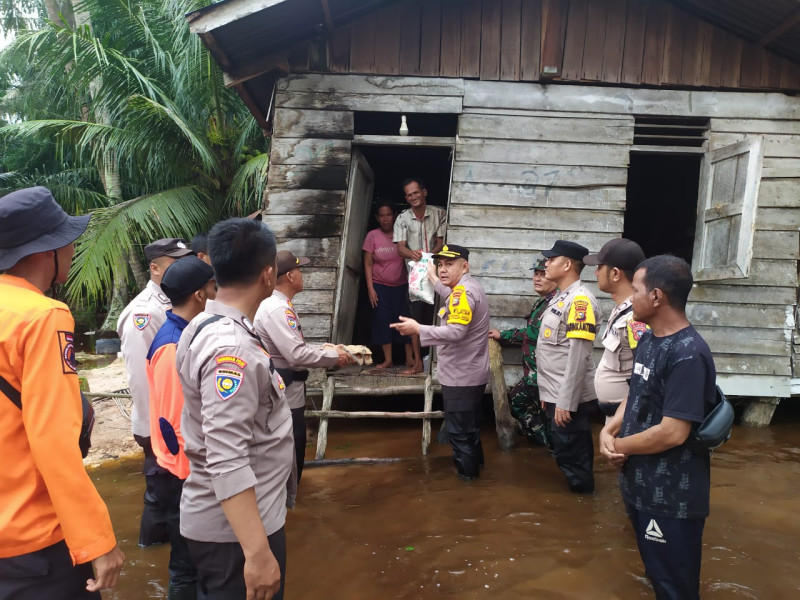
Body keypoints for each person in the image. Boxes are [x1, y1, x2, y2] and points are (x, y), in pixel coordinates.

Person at [0, 186, 125, 598]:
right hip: (31, 542)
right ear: (44, 251)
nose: (72, 247)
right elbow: (53, 439)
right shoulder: (42, 317)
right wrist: (96, 540)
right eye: (66, 238)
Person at [176, 218, 295, 600]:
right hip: (238, 535)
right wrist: (258, 555)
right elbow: (225, 457)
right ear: (268, 274)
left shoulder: (203, 324)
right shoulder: (232, 349)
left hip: (234, 526)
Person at [599, 256, 717, 600]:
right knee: (656, 575)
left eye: (635, 290)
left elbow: (673, 432)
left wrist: (620, 446)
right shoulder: (650, 341)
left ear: (656, 297)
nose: (629, 298)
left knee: (675, 589)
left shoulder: (688, 354)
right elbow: (636, 393)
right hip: (640, 485)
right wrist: (609, 431)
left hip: (673, 497)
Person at [146, 256, 216, 600]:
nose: (217, 293)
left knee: (194, 559)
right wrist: (194, 475)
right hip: (180, 471)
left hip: (180, 468)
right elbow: (173, 421)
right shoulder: (173, 343)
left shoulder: (184, 332)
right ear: (200, 295)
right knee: (187, 563)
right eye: (213, 287)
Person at [117, 237, 193, 547]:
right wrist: (157, 432)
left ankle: (159, 555)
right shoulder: (144, 314)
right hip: (158, 423)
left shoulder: (174, 303)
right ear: (155, 268)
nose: (185, 267)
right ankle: (152, 552)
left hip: (171, 420)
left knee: (165, 494)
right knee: (160, 496)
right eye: (177, 262)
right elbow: (140, 379)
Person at [392, 244, 490, 480]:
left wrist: (419, 328)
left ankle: (469, 483)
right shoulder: (466, 288)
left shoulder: (463, 293)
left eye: (450, 264)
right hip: (470, 374)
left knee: (459, 434)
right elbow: (452, 298)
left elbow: (456, 331)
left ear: (464, 266)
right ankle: (479, 477)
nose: (443, 269)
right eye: (441, 264)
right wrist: (434, 280)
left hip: (461, 377)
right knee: (469, 429)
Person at [254, 250, 352, 483]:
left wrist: (323, 349)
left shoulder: (277, 305)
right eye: (300, 270)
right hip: (284, 391)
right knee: (290, 449)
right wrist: (333, 357)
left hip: (287, 388)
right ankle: (284, 507)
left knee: (293, 446)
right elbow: (295, 354)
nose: (302, 275)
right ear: (289, 276)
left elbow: (289, 347)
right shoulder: (278, 309)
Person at [536, 240, 601, 494]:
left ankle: (584, 506)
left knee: (573, 456)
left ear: (567, 265)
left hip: (568, 398)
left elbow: (577, 357)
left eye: (551, 259)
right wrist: (547, 394)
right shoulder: (561, 298)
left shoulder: (580, 302)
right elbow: (553, 352)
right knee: (566, 452)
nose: (546, 263)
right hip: (556, 393)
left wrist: (565, 401)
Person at [488, 257, 558, 447]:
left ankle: (548, 447)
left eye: (542, 274)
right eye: (535, 274)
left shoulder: (557, 306)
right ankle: (543, 443)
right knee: (518, 404)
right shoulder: (540, 304)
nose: (537, 278)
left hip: (544, 378)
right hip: (534, 377)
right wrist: (503, 335)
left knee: (551, 420)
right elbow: (531, 334)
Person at [584, 238, 647, 421]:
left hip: (628, 419)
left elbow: (644, 378)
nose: (596, 272)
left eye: (599, 267)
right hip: (616, 415)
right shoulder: (622, 309)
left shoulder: (636, 318)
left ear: (615, 273)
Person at [393, 177, 447, 374]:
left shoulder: (440, 213)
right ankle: (417, 363)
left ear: (424, 192)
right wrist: (412, 254)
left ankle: (436, 363)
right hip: (416, 278)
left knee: (439, 318)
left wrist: (429, 257)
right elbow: (400, 248)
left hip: (438, 275)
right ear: (406, 199)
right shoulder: (402, 218)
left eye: (416, 192)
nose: (413, 197)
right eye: (409, 194)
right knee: (416, 319)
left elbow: (440, 242)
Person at [362, 202, 414, 369]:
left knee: (404, 319)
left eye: (389, 215)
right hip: (380, 286)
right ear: (377, 218)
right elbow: (368, 263)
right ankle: (388, 359)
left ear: (395, 215)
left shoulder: (402, 234)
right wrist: (370, 289)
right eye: (382, 216)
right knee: (382, 320)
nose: (386, 219)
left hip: (402, 286)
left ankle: (410, 358)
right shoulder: (372, 236)